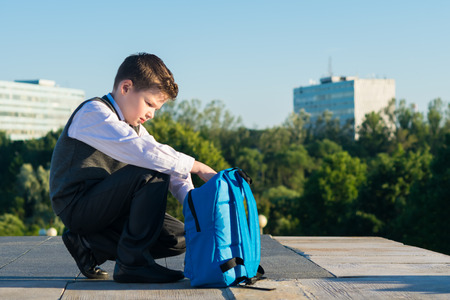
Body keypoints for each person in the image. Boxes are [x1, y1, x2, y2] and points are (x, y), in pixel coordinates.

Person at [49, 53, 217, 283]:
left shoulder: (134, 128)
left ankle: (89, 244)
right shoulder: (93, 113)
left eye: (156, 108)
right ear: (126, 87)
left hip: (109, 208)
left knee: (182, 236)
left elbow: (169, 165)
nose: (151, 114)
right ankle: (133, 265)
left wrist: (196, 210)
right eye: (149, 103)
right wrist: (198, 166)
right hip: (78, 205)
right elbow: (146, 154)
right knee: (152, 170)